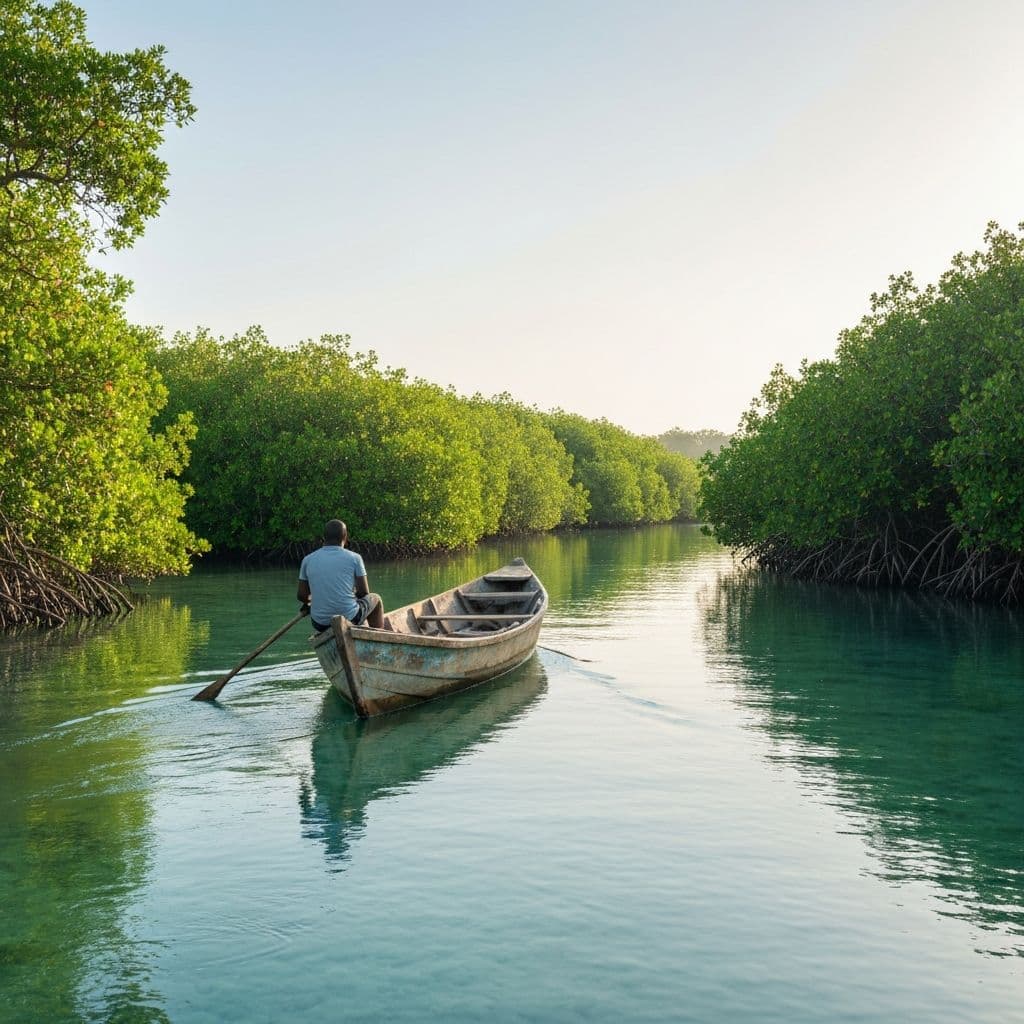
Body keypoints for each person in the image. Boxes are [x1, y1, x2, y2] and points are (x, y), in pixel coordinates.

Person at [297, 519, 385, 631]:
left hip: (320, 623)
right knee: (376, 599)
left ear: (324, 537)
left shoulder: (307, 560)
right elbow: (364, 593)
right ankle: (377, 637)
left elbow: (301, 595)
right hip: (350, 618)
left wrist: (311, 602)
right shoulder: (355, 558)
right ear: (345, 537)